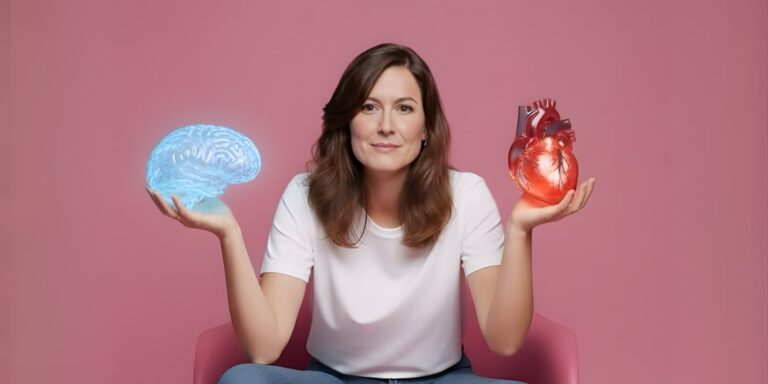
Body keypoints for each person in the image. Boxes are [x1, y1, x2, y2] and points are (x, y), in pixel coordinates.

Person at [147, 43, 596, 384]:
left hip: (441, 379)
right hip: (332, 378)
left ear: (425, 130)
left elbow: (505, 340)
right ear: (347, 124)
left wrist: (521, 230)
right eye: (368, 107)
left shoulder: (466, 194)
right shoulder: (304, 195)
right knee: (240, 380)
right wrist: (228, 232)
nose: (386, 125)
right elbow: (263, 349)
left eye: (404, 109)